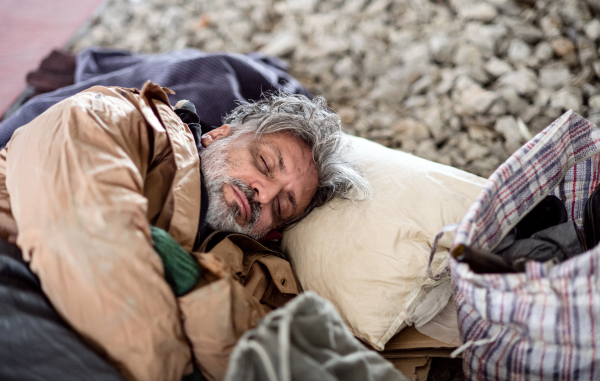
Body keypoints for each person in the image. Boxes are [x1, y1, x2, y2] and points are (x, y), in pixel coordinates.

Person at [0, 81, 369, 381]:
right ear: (219, 135)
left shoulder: (257, 275)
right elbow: (85, 236)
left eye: (283, 205)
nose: (265, 193)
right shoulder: (118, 116)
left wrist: (194, 282)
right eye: (265, 163)